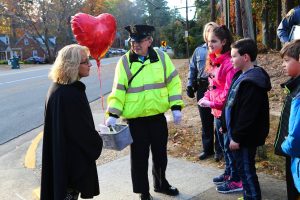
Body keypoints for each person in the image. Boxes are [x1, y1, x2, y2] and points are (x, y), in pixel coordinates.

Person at [106, 24, 184, 200]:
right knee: (139, 159)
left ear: (149, 40)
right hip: (136, 120)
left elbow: (173, 83)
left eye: (139, 41)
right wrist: (112, 115)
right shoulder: (125, 61)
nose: (135, 44)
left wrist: (176, 107)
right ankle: (143, 191)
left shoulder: (162, 58)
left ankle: (161, 184)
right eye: (132, 41)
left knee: (160, 155)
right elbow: (118, 90)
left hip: (157, 117)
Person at [41, 44, 103, 200]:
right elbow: (82, 134)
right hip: (71, 167)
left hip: (61, 161)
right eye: (85, 61)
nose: (90, 65)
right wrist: (99, 140)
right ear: (73, 65)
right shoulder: (71, 94)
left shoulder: (57, 88)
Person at [223, 38, 271, 199]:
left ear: (245, 57)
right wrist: (224, 124)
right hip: (238, 134)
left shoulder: (252, 82)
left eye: (234, 56)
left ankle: (252, 196)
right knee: (243, 170)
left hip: (245, 138)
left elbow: (247, 115)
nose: (231, 60)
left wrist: (236, 137)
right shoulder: (240, 76)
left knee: (246, 170)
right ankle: (247, 195)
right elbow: (230, 103)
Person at [198, 25, 241, 193]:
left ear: (224, 42)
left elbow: (229, 92)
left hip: (226, 113)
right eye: (209, 41)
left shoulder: (228, 63)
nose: (210, 44)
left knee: (229, 147)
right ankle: (229, 173)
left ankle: (236, 180)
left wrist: (212, 103)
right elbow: (213, 86)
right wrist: (206, 98)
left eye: (214, 41)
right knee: (223, 147)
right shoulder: (213, 60)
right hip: (217, 112)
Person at [186, 21, 222, 161]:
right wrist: (190, 85)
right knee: (205, 121)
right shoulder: (198, 50)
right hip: (202, 87)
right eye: (208, 30)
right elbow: (192, 69)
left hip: (217, 87)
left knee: (218, 119)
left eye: (213, 30)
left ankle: (220, 150)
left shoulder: (222, 50)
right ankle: (207, 149)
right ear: (205, 34)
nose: (210, 33)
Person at [275, 39, 300, 200]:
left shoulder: (298, 93)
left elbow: (296, 134)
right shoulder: (293, 86)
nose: (283, 65)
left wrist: (286, 145)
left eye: (287, 61)